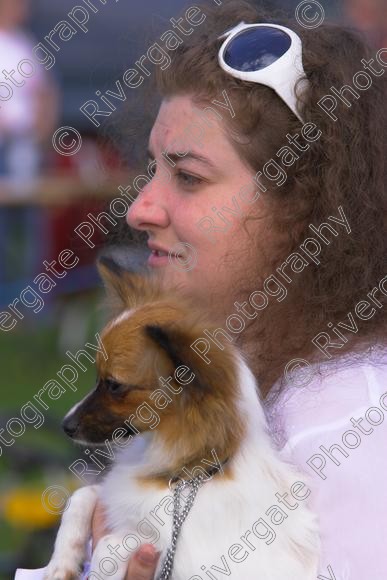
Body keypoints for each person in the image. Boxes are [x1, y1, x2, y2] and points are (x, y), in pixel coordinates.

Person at [16, 0, 386, 578]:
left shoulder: (353, 433)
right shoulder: (214, 379)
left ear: (304, 211)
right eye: (153, 168)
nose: (139, 207)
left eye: (188, 176)